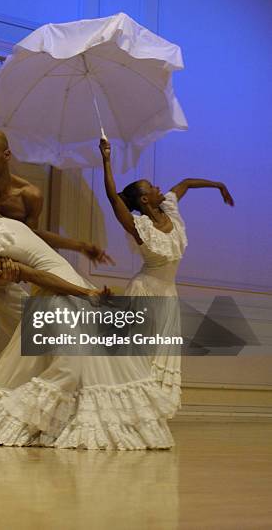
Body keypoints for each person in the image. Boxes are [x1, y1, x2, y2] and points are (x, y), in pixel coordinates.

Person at [0, 128, 112, 442]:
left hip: (16, 276)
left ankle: (22, 420)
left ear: (6, 156)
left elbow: (28, 236)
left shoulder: (29, 195)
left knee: (35, 343)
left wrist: (78, 245)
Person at [98, 137, 235, 445]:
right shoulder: (139, 226)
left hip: (167, 296)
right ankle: (125, 416)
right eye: (153, 188)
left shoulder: (170, 211)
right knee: (138, 356)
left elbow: (185, 182)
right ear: (145, 200)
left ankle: (149, 418)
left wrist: (218, 184)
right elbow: (112, 197)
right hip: (145, 293)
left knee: (161, 357)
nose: (160, 189)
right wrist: (107, 158)